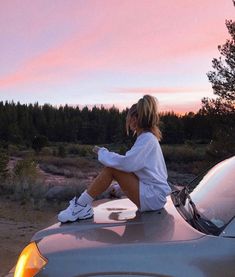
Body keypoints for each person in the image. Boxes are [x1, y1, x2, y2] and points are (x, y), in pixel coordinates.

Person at [58, 95, 171, 223]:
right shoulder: (148, 138)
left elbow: (127, 164)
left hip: (153, 197)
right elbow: (141, 170)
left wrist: (103, 152)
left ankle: (80, 206)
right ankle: (81, 206)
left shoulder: (147, 139)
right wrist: (120, 186)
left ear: (134, 119)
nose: (128, 122)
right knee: (115, 169)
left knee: (111, 170)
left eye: (128, 118)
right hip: (155, 196)